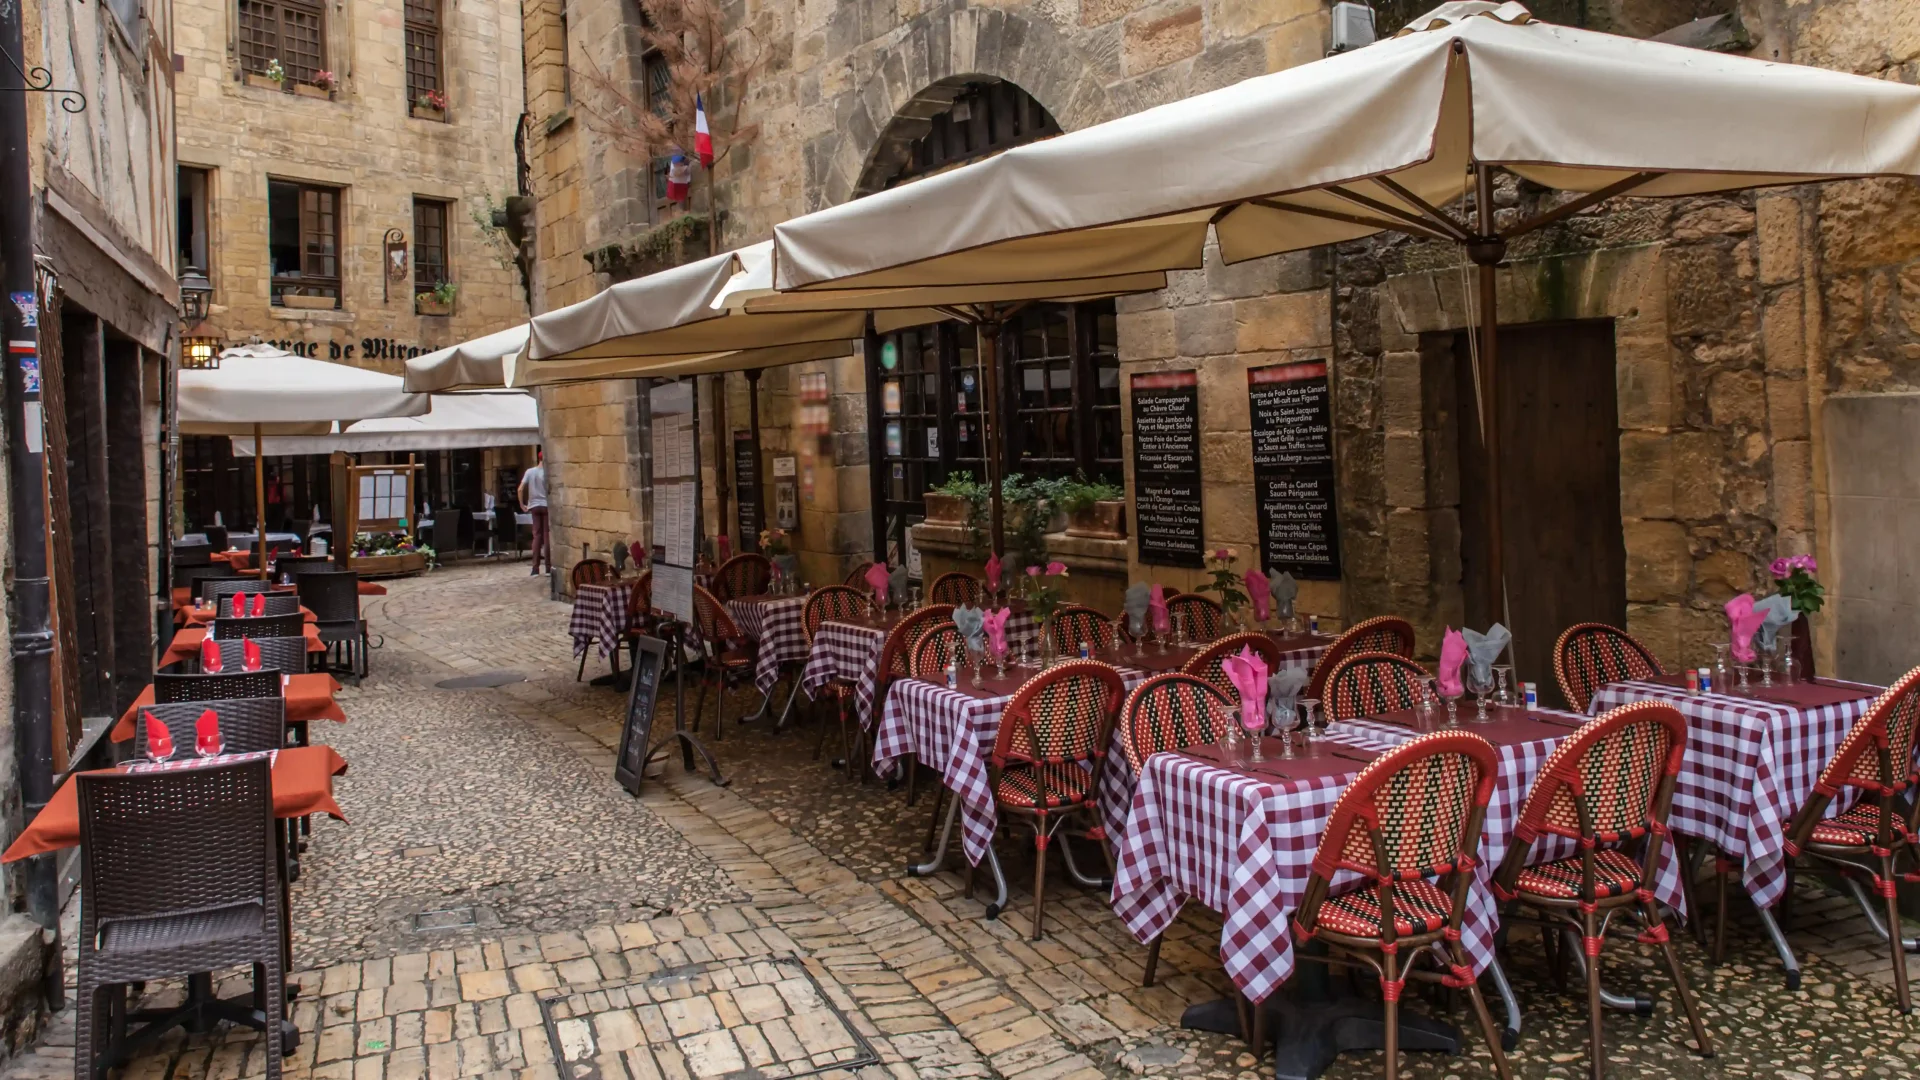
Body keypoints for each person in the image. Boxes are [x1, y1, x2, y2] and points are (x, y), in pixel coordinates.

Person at [517, 450, 549, 576]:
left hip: (534, 506)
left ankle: (535, 568)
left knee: (536, 536)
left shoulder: (530, 472)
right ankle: (548, 568)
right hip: (546, 505)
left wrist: (522, 504)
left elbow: (520, 489)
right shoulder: (548, 473)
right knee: (547, 536)